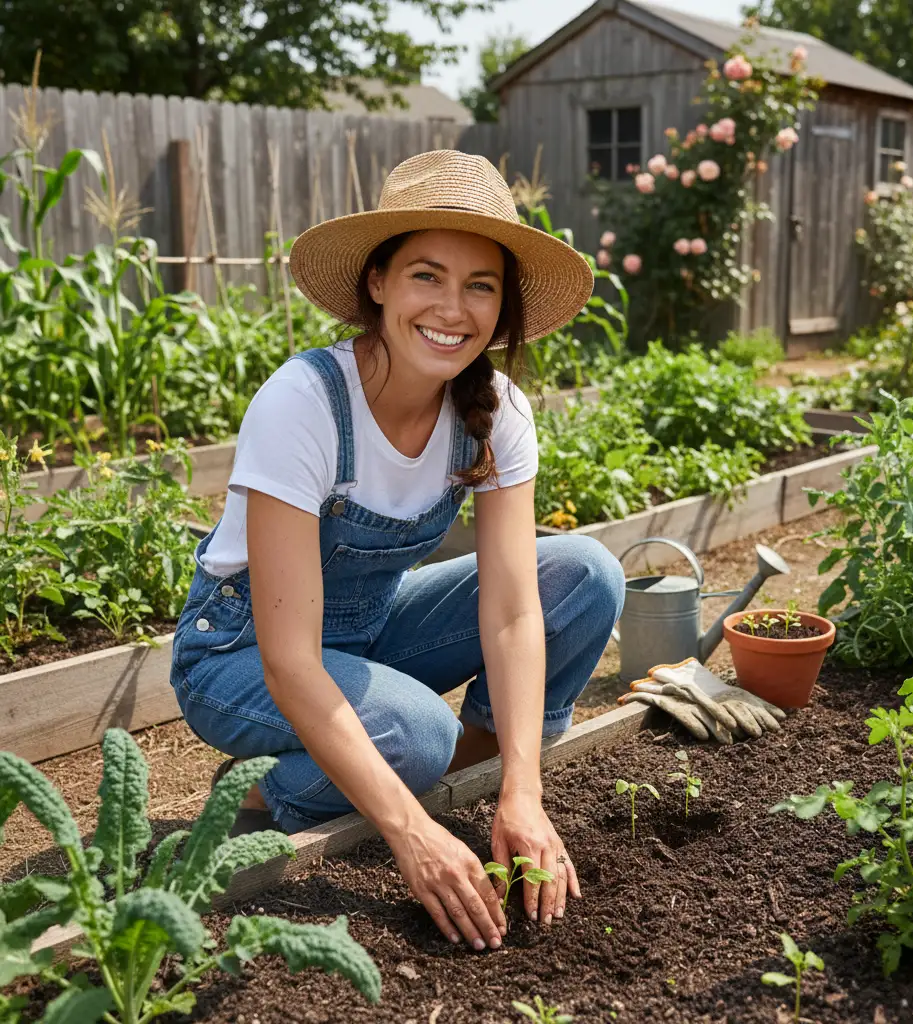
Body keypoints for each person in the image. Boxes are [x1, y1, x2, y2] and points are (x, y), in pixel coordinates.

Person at [169, 150, 626, 952]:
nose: (453, 308)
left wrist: (522, 790)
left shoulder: (495, 410)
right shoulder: (305, 404)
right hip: (243, 656)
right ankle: (268, 794)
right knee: (417, 733)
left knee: (586, 575)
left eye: (480, 285)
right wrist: (410, 837)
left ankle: (452, 789)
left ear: (502, 306)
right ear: (377, 282)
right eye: (427, 275)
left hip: (369, 633)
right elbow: (290, 660)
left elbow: (517, 610)